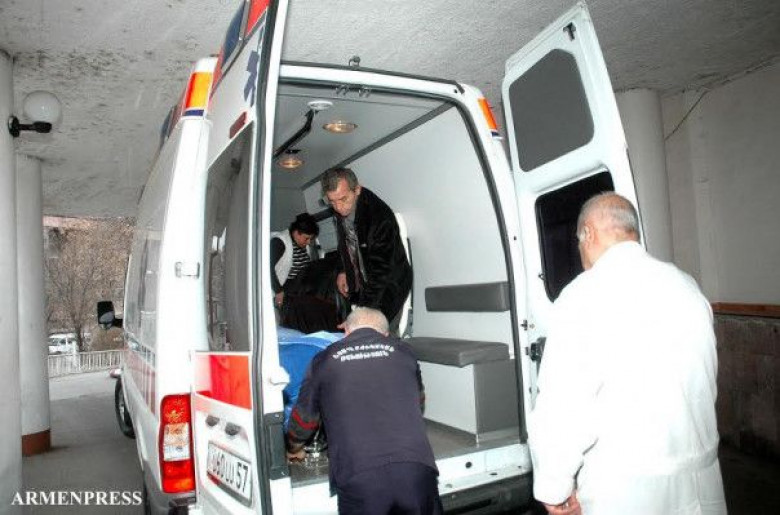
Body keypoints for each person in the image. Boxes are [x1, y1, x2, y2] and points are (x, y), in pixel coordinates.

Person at [528, 192, 727, 515]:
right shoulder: (688, 287)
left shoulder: (583, 295)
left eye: (579, 242)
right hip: (702, 482)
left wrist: (555, 487)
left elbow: (564, 406)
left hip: (628, 490)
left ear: (588, 234)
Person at [286, 307, 442, 515]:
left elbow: (304, 419)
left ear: (346, 332)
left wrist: (294, 447)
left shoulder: (324, 359)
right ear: (385, 334)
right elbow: (419, 401)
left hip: (360, 475)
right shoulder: (405, 352)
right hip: (416, 470)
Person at [320, 168, 412, 332]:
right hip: (367, 283)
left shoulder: (379, 218)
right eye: (332, 202)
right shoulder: (343, 208)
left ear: (357, 189)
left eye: (343, 199)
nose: (338, 207)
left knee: (378, 337)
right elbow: (345, 243)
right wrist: (342, 270)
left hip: (388, 285)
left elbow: (381, 272)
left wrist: (361, 314)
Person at [270, 213, 319, 308]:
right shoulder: (279, 242)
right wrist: (278, 291)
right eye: (306, 238)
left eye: (310, 239)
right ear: (296, 233)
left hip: (301, 288)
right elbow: (267, 268)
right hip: (285, 290)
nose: (309, 242)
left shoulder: (301, 244)